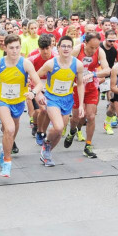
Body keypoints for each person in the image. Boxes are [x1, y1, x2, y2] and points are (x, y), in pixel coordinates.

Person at [0, 34, 43, 177]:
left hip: (18, 101)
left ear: (20, 48)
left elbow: (39, 83)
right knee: (9, 129)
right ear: (5, 48)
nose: (14, 51)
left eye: (17, 47)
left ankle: (4, 150)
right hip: (2, 101)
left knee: (12, 132)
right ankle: (7, 162)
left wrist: (33, 93)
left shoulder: (26, 63)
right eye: (11, 48)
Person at [36, 36, 85, 167]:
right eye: (63, 46)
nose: (66, 49)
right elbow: (35, 76)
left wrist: (81, 105)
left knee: (59, 132)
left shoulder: (78, 64)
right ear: (58, 48)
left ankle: (46, 153)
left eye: (69, 46)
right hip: (52, 98)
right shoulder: (51, 64)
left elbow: (80, 84)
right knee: (58, 127)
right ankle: (46, 142)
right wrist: (39, 92)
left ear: (72, 48)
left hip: (67, 99)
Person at [65, 32, 111, 158]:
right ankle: (73, 130)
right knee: (76, 117)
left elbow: (107, 70)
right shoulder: (76, 50)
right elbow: (65, 66)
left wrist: (93, 74)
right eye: (91, 47)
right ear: (85, 43)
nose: (93, 50)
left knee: (90, 116)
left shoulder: (100, 51)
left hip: (91, 87)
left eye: (96, 47)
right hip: (76, 87)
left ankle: (88, 145)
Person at [29, 35, 55, 146]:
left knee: (48, 111)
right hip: (37, 84)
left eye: (47, 48)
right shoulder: (32, 58)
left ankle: (41, 131)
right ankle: (39, 131)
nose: (45, 51)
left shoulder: (56, 57)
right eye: (42, 49)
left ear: (51, 46)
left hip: (51, 85)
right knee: (43, 110)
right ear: (39, 48)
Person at [99, 30, 118, 135]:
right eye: (110, 40)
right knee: (90, 111)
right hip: (95, 76)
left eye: (114, 41)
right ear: (104, 38)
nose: (112, 43)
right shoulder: (98, 47)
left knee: (113, 100)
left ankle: (108, 122)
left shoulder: (114, 50)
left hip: (108, 78)